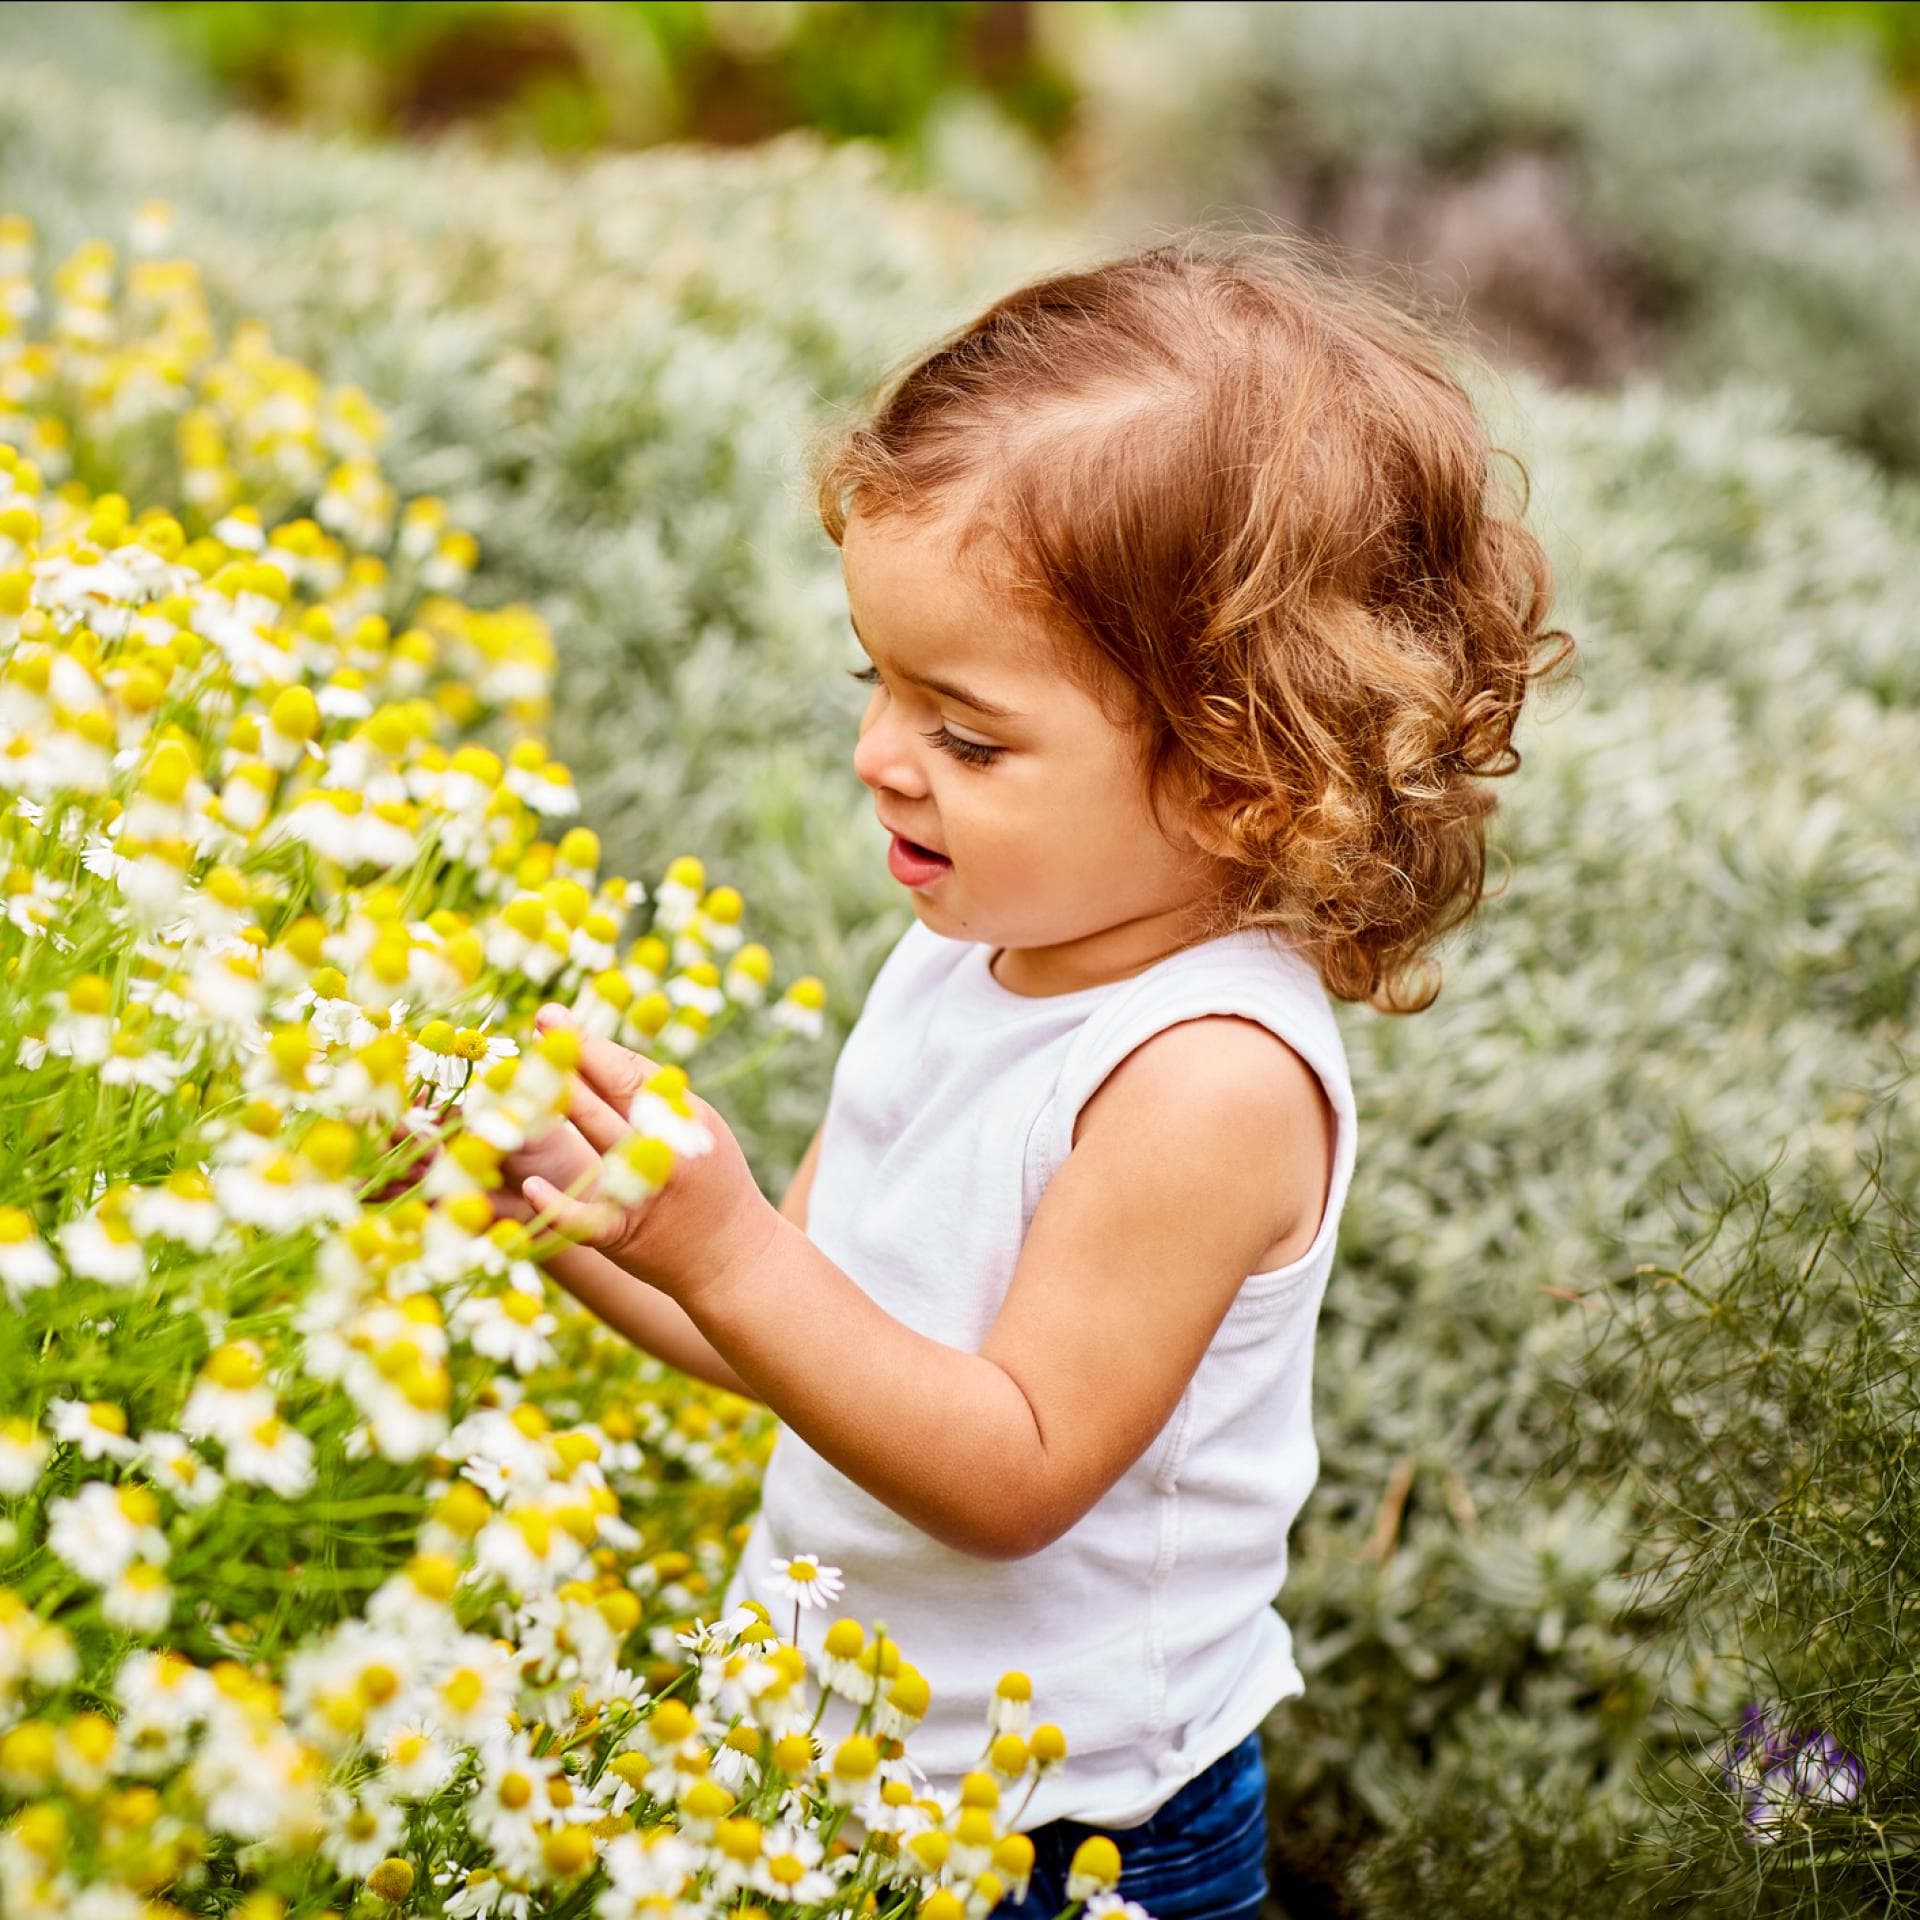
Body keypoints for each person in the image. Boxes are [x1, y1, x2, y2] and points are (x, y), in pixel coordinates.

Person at [501, 231, 1577, 1917]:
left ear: (1242, 779)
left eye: (968, 732)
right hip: (820, 1756)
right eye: (879, 685)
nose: (878, 758)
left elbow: (1010, 1471)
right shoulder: (966, 949)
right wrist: (586, 1217)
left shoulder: (1202, 1078)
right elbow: (810, 1342)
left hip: (1050, 1837)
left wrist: (719, 1243)